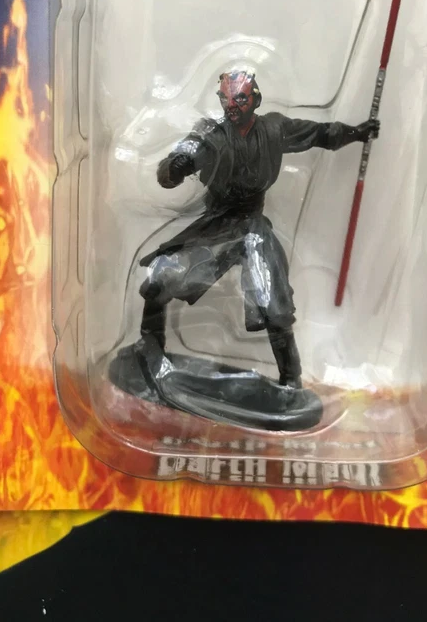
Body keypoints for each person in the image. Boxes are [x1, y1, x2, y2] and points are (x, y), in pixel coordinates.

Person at [138, 70, 379, 388]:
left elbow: (321, 133)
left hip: (252, 227)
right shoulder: (210, 134)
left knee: (274, 303)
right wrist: (176, 167)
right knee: (160, 278)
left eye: (240, 98)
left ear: (255, 100)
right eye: (226, 99)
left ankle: (291, 379)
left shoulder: (273, 129)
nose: (232, 105)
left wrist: (357, 132)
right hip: (217, 225)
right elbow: (173, 166)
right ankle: (149, 348)